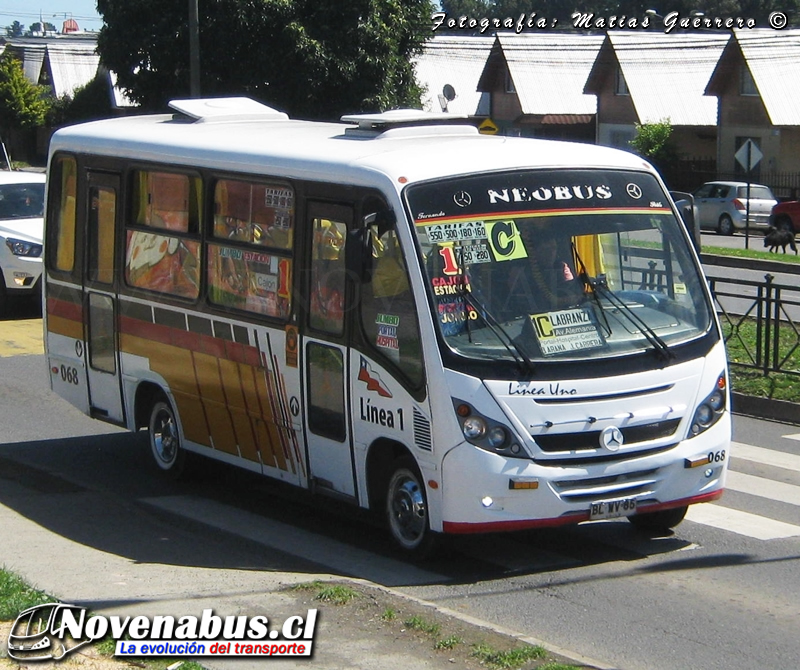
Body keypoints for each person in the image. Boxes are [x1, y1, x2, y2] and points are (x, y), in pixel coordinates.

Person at [502, 222, 582, 316]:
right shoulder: (520, 270)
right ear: (535, 251)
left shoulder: (561, 267)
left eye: (553, 249)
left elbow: (570, 288)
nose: (551, 254)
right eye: (546, 250)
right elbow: (513, 297)